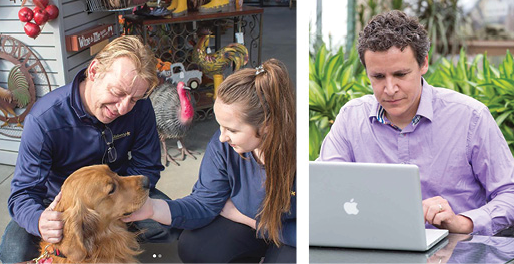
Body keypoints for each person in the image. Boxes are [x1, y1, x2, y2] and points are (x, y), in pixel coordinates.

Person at [318, 10, 514, 236]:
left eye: (401, 74)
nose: (389, 89)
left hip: (458, 254)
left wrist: (464, 222)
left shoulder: (471, 117)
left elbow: (509, 192)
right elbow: (326, 190)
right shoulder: (350, 118)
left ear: (424, 64)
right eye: (378, 77)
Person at [0, 35, 179, 264]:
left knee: (172, 227)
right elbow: (23, 193)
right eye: (117, 92)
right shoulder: (44, 120)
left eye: (134, 99)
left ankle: (113, 244)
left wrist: (118, 204)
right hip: (59, 209)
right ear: (94, 71)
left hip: (118, 191)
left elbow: (147, 166)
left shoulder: (140, 108)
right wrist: (39, 221)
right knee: (14, 253)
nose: (124, 108)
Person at [124, 58, 296, 264]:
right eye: (220, 126)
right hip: (250, 227)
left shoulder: (300, 155)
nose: (222, 137)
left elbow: (313, 229)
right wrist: (152, 208)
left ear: (266, 125)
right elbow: (204, 203)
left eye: (232, 130)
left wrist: (251, 221)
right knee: (196, 247)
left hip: (290, 233)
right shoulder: (224, 145)